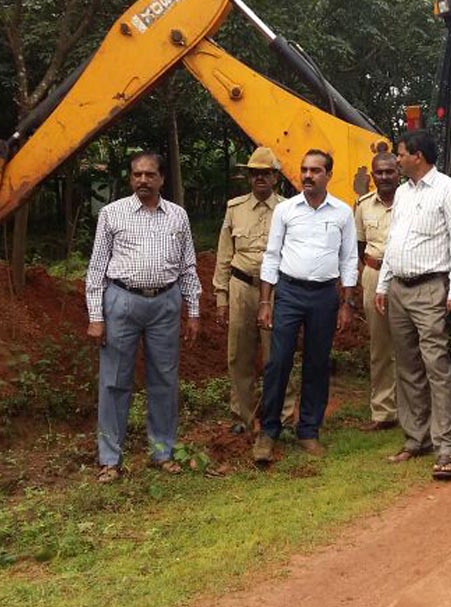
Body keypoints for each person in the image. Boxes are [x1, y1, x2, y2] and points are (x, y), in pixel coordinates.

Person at [85, 152, 201, 484]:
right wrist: (96, 316)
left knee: (164, 380)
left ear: (162, 179)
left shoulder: (177, 216)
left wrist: (193, 311)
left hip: (165, 303)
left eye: (150, 175)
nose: (143, 181)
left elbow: (188, 266)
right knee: (114, 381)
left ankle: (162, 452)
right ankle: (110, 460)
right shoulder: (112, 214)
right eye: (137, 175)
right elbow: (95, 270)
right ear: (130, 178)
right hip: (121, 302)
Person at [374, 131, 451, 480]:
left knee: (436, 367)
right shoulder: (401, 192)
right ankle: (417, 439)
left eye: (400, 155)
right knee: (407, 366)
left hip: (431, 288)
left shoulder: (448, 190)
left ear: (417, 155)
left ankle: (447, 448)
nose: (396, 161)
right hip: (399, 288)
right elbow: (393, 241)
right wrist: (384, 285)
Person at [253, 149, 358, 462]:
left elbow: (349, 258)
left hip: (325, 296)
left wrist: (347, 303)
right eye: (304, 169)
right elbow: (272, 256)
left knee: (317, 363)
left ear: (328, 175)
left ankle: (309, 431)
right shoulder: (286, 210)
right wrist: (265, 300)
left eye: (315, 170)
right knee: (278, 362)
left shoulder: (342, 213)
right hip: (289, 293)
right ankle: (268, 431)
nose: (308, 175)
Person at [213, 146, 297, 436]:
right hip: (240, 286)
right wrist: (221, 297)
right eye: (254, 173)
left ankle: (283, 417)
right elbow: (224, 255)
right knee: (239, 354)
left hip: (275, 289)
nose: (259, 178)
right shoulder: (234, 208)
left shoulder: (289, 209)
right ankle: (242, 416)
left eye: (265, 173)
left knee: (278, 353)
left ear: (275, 177)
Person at [354, 152, 401, 430]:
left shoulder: (411, 201)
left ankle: (413, 410)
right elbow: (358, 247)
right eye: (379, 172)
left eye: (389, 172)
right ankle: (384, 412)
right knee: (380, 345)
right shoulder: (363, 205)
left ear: (399, 173)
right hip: (373, 274)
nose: (384, 177)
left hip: (406, 276)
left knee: (411, 345)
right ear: (372, 175)